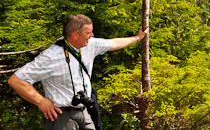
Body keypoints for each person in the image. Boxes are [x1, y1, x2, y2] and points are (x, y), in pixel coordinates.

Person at [8, 14, 148, 130]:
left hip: (85, 111)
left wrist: (137, 38)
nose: (92, 35)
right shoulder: (51, 56)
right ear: (76, 34)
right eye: (88, 33)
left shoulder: (90, 45)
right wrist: (41, 101)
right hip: (61, 117)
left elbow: (114, 43)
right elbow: (16, 80)